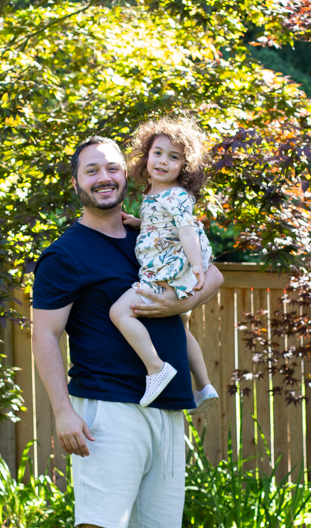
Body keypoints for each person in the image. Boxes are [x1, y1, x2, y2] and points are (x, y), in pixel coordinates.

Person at [31, 135, 223, 528]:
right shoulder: (65, 254)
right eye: (92, 170)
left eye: (112, 168)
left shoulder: (149, 233)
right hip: (109, 406)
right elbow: (44, 335)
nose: (104, 178)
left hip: (167, 404)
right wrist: (62, 411)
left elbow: (213, 273)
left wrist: (179, 302)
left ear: (126, 173)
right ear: (76, 182)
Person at [109, 117, 219, 411]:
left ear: (185, 166)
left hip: (166, 270)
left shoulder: (177, 195)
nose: (162, 161)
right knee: (180, 329)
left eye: (174, 157)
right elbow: (162, 225)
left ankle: (156, 368)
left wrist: (197, 267)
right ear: (146, 156)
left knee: (119, 312)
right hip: (164, 265)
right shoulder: (155, 192)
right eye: (157, 153)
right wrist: (139, 222)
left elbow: (186, 230)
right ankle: (204, 385)